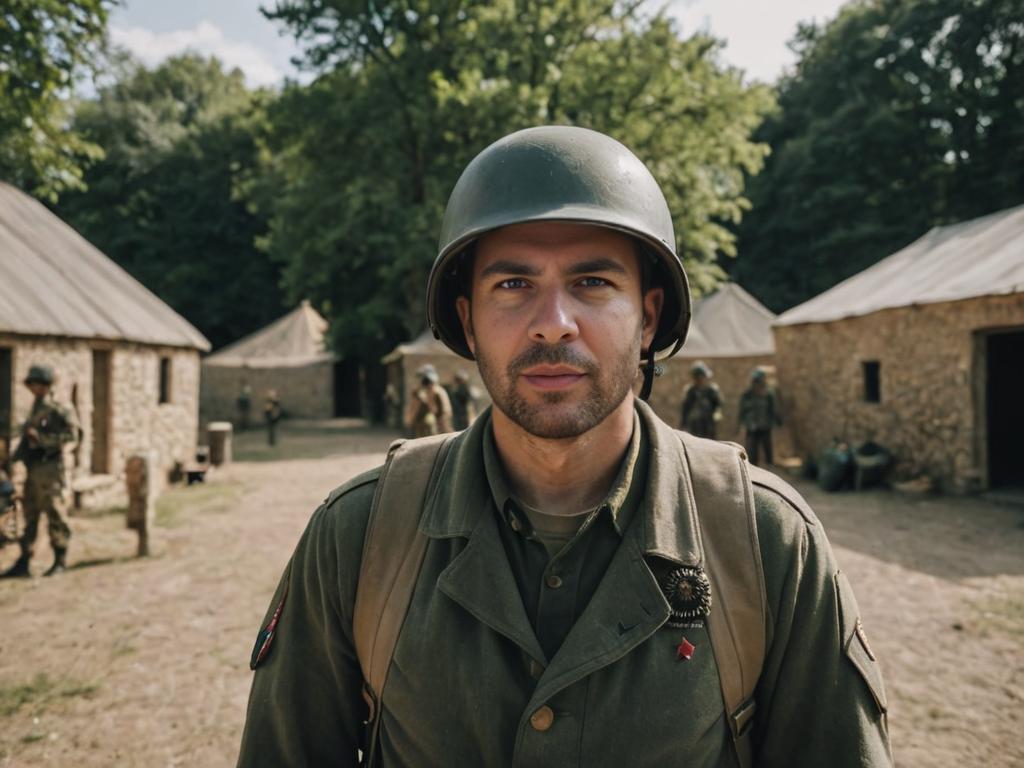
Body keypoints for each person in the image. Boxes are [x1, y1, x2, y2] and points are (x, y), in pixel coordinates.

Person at [238, 127, 892, 766]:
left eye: (593, 283)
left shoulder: (767, 542)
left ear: (649, 319)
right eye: (513, 285)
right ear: (467, 321)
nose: (553, 323)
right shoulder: (360, 537)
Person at [0, 365, 78, 578]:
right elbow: (25, 436)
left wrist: (43, 440)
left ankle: (60, 558)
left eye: (38, 384)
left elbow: (73, 436)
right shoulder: (35, 407)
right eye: (32, 384)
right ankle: (25, 560)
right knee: (29, 513)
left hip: (51, 468)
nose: (34, 389)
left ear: (46, 385)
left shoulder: (59, 408)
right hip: (33, 468)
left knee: (55, 512)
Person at [739, 368, 782, 467]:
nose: (758, 384)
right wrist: (743, 424)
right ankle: (753, 468)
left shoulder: (768, 395)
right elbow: (742, 412)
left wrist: (776, 421)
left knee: (767, 449)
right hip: (752, 428)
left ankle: (769, 468)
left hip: (765, 426)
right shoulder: (747, 395)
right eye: (756, 382)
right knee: (752, 451)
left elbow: (773, 409)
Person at [405, 365, 453, 437]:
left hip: (437, 430)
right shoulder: (422, 392)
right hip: (422, 428)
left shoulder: (436, 392)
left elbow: (437, 411)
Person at [680, 360, 723, 439]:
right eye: (697, 377)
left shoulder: (711, 391)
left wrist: (716, 416)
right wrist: (684, 424)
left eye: (701, 377)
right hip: (694, 426)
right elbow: (685, 409)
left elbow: (718, 406)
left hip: (708, 425)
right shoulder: (690, 391)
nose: (700, 380)